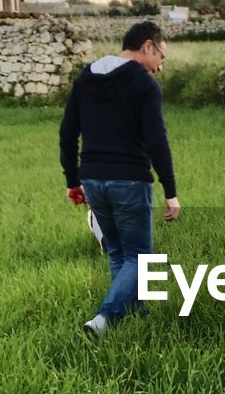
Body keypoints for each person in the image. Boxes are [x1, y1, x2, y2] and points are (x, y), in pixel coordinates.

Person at [59, 20, 180, 338]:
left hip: (93, 181)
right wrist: (171, 191)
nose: (160, 67)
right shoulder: (144, 85)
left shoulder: (86, 78)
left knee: (119, 253)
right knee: (140, 257)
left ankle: (134, 311)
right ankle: (104, 319)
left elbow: (68, 132)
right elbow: (157, 141)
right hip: (129, 181)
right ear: (148, 47)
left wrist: (73, 180)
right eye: (161, 58)